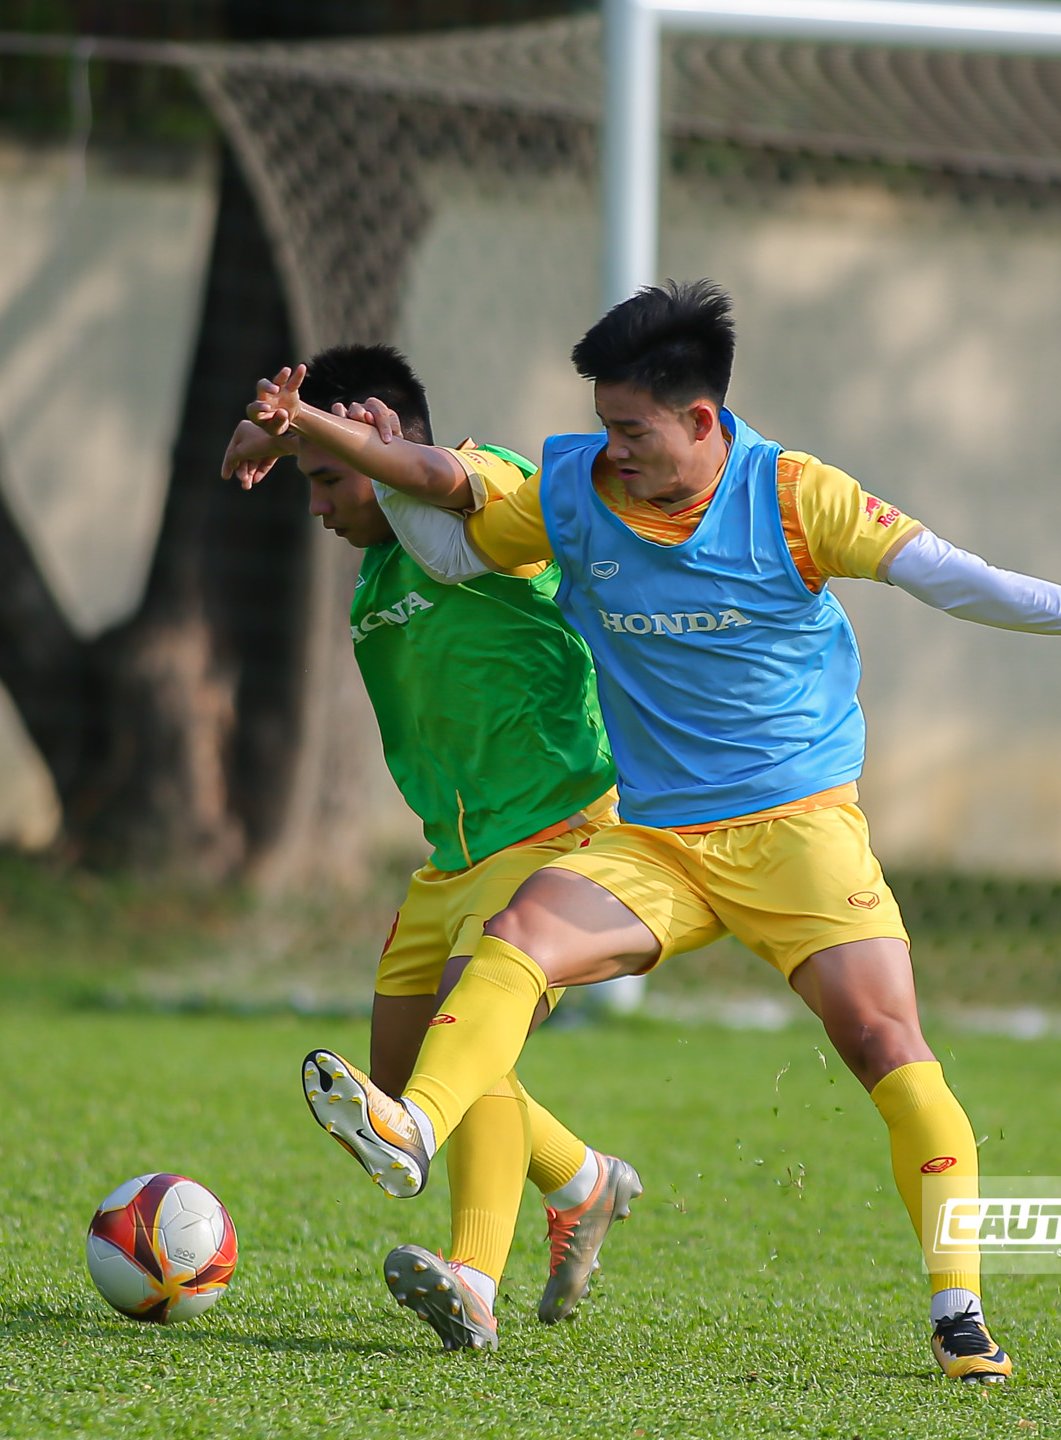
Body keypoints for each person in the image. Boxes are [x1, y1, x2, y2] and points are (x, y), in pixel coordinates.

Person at [252, 282, 1061, 1385]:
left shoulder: (797, 498)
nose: (612, 452)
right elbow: (455, 515)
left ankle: (959, 1312)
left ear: (702, 421)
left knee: (886, 1049)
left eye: (633, 431)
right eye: (604, 426)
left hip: (797, 832)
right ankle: (417, 1127)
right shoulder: (575, 486)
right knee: (519, 934)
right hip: (656, 840)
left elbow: (954, 578)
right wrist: (310, 431)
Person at [220, 344, 643, 1352]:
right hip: (449, 863)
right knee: (412, 1084)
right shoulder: (375, 575)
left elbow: (446, 481)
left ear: (383, 444)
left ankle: (473, 1285)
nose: (317, 505)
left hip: (559, 830)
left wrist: (364, 448)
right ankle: (583, 1182)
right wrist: (266, 437)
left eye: (328, 480)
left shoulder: (483, 496)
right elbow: (281, 454)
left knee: (464, 1055)